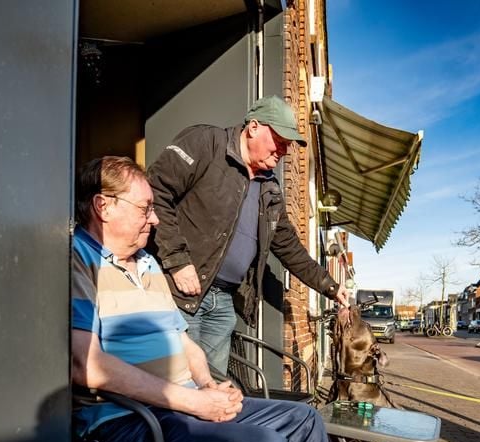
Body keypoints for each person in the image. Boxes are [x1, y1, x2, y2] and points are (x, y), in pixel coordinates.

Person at [71, 156, 370, 442]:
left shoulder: (148, 266)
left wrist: (207, 385)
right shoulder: (79, 262)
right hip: (128, 424)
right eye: (145, 208)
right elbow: (87, 365)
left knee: (304, 422)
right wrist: (193, 402)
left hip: (184, 403)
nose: (154, 219)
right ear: (104, 206)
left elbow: (185, 342)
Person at [147, 96, 350, 376]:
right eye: (279, 140)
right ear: (253, 127)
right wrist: (178, 261)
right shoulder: (207, 143)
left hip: (224, 301)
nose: (284, 150)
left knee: (214, 386)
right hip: (180, 294)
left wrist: (329, 285)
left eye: (288, 144)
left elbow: (290, 248)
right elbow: (155, 192)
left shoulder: (270, 188)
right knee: (183, 383)